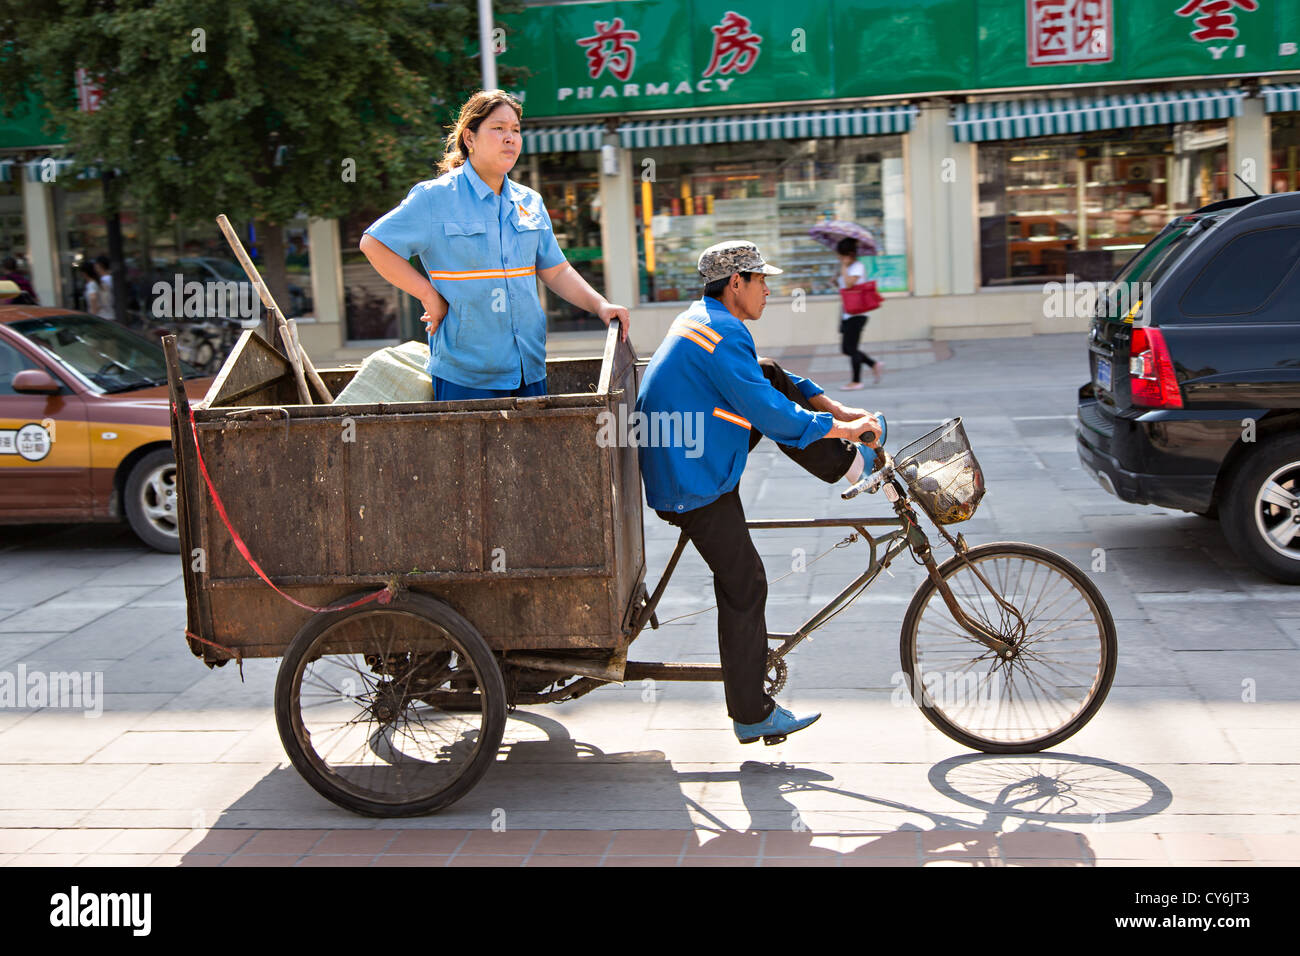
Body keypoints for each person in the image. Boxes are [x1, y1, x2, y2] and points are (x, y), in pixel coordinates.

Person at [637, 240, 887, 745]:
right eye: (760, 280)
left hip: (691, 448)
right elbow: (770, 413)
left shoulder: (707, 319)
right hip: (690, 478)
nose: (769, 290)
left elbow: (768, 380)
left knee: (770, 371)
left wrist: (841, 414)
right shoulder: (724, 334)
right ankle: (751, 713)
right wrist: (844, 431)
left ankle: (850, 466)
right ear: (736, 284)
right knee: (745, 582)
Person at [359, 89, 630, 400]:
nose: (510, 138)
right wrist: (428, 295)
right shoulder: (435, 198)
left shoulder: (530, 201)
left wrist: (599, 305)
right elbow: (374, 244)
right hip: (465, 374)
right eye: (498, 128)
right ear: (469, 139)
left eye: (515, 130)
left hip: (528, 366)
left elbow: (555, 271)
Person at [836, 237, 882, 389]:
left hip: (857, 313)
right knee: (846, 348)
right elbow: (844, 285)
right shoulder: (849, 267)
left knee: (852, 348)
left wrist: (843, 266)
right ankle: (873, 364)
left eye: (842, 255)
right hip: (847, 313)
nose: (840, 258)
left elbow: (849, 283)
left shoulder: (857, 266)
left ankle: (856, 381)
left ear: (849, 254)